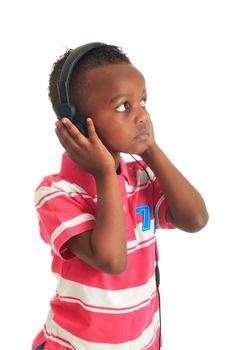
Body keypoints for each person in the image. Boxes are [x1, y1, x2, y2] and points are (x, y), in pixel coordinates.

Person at [32, 43, 209, 350]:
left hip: (142, 341)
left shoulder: (142, 179)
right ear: (75, 122)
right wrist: (104, 175)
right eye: (124, 106)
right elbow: (111, 260)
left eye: (143, 102)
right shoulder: (56, 194)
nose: (142, 117)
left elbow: (196, 219)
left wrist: (150, 149)